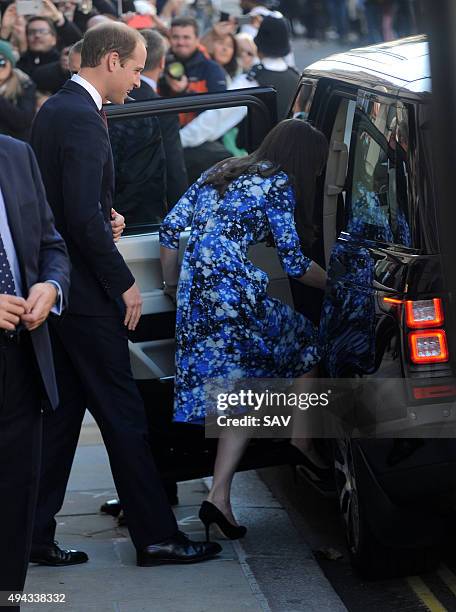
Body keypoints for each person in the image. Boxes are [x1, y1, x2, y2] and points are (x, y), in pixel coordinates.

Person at [30, 21, 221, 567]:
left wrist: (103, 212)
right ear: (111, 61)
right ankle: (157, 537)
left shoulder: (55, 110)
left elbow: (69, 206)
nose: (139, 81)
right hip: (88, 296)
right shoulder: (84, 119)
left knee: (64, 421)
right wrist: (125, 282)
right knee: (125, 419)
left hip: (63, 292)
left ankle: (32, 534)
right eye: (137, 68)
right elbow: (79, 218)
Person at [160, 119, 329, 536]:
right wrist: (339, 286)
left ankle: (218, 497)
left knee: (239, 392)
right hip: (236, 296)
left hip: (196, 298)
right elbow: (293, 263)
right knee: (309, 342)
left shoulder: (222, 169)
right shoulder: (278, 182)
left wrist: (171, 285)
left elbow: (168, 229)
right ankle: (302, 439)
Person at [0, 134, 70, 606]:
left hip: (22, 359)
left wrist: (50, 285)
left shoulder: (16, 153)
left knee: (14, 504)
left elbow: (52, 244)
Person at [179, 16, 299, 151]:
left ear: (258, 47)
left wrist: (181, 139)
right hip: (293, 157)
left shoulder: (251, 81)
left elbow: (216, 118)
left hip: (259, 161)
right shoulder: (296, 77)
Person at [130, 28, 188, 209]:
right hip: (146, 207)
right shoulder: (164, 110)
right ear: (162, 62)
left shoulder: (109, 97)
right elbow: (174, 169)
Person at [0, 40, 36, 141]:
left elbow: (23, 121)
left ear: (11, 63)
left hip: (11, 146)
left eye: (1, 61)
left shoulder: (25, 84)